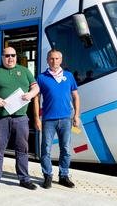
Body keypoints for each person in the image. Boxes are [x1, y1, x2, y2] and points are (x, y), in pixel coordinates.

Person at [0, 47, 39, 193]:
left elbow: (36, 87)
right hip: (1, 118)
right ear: (2, 57)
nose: (10, 58)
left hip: (21, 118)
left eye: (13, 55)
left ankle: (24, 179)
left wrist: (30, 95)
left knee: (22, 150)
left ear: (16, 57)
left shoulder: (25, 71)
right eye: (7, 55)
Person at [34, 49, 80, 189]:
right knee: (46, 149)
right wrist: (37, 118)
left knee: (65, 149)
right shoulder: (41, 78)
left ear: (61, 60)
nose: (54, 61)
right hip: (48, 120)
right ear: (48, 60)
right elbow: (36, 99)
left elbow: (76, 96)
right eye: (51, 59)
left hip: (66, 119)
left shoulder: (69, 76)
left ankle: (64, 176)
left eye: (57, 59)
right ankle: (47, 175)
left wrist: (76, 116)